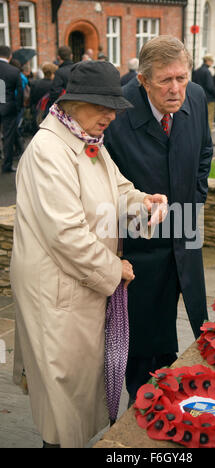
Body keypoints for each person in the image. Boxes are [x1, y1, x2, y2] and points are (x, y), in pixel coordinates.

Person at [10, 60, 167, 448]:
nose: (111, 115)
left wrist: (142, 203)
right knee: (62, 405)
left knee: (75, 397)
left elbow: (119, 189)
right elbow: (66, 233)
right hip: (58, 292)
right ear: (73, 102)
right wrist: (115, 269)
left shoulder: (85, 142)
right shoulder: (49, 150)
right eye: (102, 106)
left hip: (79, 288)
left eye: (114, 106)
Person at [104, 35, 213, 405]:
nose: (176, 89)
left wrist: (194, 204)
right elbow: (101, 187)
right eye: (165, 80)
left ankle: (178, 396)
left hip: (185, 229)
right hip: (138, 239)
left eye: (182, 78)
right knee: (144, 338)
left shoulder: (196, 96)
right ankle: (145, 411)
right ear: (143, 79)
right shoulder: (114, 114)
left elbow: (204, 153)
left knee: (197, 321)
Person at [0, 45, 23, 173]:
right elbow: (20, 92)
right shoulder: (14, 71)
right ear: (10, 56)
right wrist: (18, 107)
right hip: (8, 107)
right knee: (8, 137)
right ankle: (7, 165)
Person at [192, 54, 215, 134]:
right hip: (209, 98)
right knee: (209, 119)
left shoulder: (197, 70)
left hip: (198, 98)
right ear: (208, 61)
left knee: (199, 120)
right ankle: (208, 141)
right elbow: (210, 86)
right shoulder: (207, 72)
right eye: (212, 61)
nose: (212, 63)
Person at [30, 62, 58, 132]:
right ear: (53, 73)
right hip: (49, 114)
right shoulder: (54, 85)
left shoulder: (36, 83)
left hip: (37, 112)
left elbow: (32, 99)